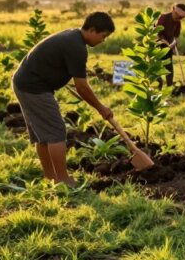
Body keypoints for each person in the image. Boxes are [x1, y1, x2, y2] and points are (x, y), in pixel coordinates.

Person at [12, 12, 116, 187]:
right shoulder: (76, 47)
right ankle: (62, 179)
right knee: (56, 131)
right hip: (34, 87)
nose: (102, 41)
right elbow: (82, 86)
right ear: (91, 30)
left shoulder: (73, 37)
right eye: (103, 36)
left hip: (25, 82)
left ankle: (51, 177)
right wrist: (100, 107)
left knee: (42, 135)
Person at [156, 3, 185, 87]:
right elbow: (158, 33)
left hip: (169, 48)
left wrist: (174, 44)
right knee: (157, 68)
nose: (178, 18)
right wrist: (166, 43)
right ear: (173, 10)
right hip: (158, 46)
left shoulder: (178, 23)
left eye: (181, 17)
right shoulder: (164, 17)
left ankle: (169, 88)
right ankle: (158, 86)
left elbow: (176, 36)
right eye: (178, 16)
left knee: (169, 68)